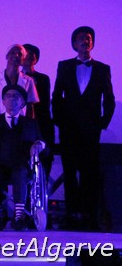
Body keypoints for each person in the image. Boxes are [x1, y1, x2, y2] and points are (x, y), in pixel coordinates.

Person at [52, 26, 115, 231]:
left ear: (92, 43)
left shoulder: (103, 68)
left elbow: (109, 98)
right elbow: (56, 95)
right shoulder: (64, 66)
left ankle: (88, 215)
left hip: (91, 129)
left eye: (88, 38)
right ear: (74, 44)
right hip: (69, 128)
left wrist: (103, 122)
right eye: (81, 38)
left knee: (89, 172)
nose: (85, 41)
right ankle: (72, 214)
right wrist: (59, 120)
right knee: (70, 172)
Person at [0, 84, 46, 231]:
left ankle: (19, 215)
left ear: (22, 103)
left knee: (20, 172)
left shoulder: (30, 123)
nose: (12, 99)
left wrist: (39, 144)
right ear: (3, 101)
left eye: (16, 96)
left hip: (21, 164)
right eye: (8, 96)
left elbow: (43, 144)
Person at [0, 44, 39, 126]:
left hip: (20, 125)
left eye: (20, 54)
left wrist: (29, 126)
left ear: (23, 60)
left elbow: (30, 107)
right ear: (7, 56)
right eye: (13, 52)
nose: (16, 55)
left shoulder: (28, 81)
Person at [21, 44, 55, 178]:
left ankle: (42, 189)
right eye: (27, 53)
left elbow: (44, 103)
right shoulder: (16, 76)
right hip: (23, 123)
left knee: (45, 159)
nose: (30, 56)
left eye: (33, 53)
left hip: (42, 123)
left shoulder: (43, 78)